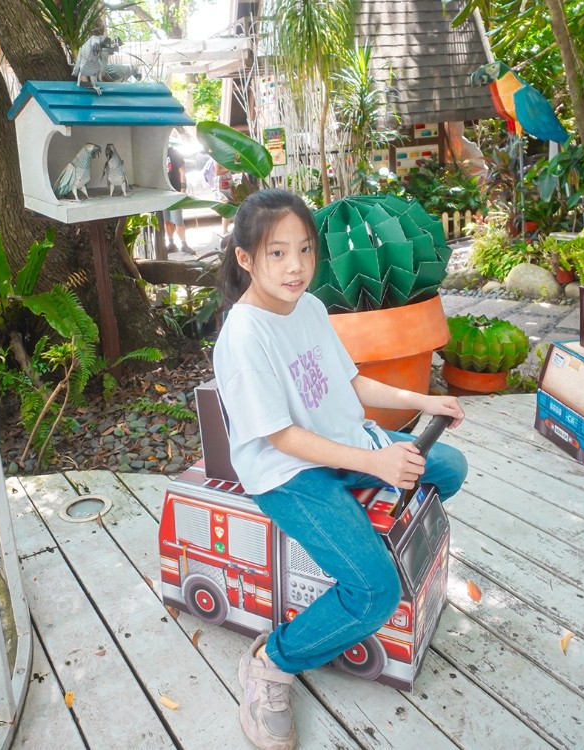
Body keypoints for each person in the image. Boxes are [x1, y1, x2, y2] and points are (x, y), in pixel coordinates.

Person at [213, 189, 468, 750]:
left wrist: (424, 402)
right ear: (245, 259)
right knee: (374, 594)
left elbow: (351, 382)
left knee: (448, 466)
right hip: (288, 473)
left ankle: (375, 532)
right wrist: (376, 462)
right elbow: (279, 434)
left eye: (304, 249)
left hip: (345, 442)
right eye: (276, 253)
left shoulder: (310, 307)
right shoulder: (244, 334)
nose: (296, 266)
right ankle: (272, 661)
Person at [162, 144, 192, 254]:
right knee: (166, 220)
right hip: (162, 192)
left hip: (175, 190)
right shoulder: (158, 153)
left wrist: (183, 186)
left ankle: (184, 244)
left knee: (178, 220)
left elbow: (182, 169)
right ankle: (171, 243)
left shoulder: (173, 152)